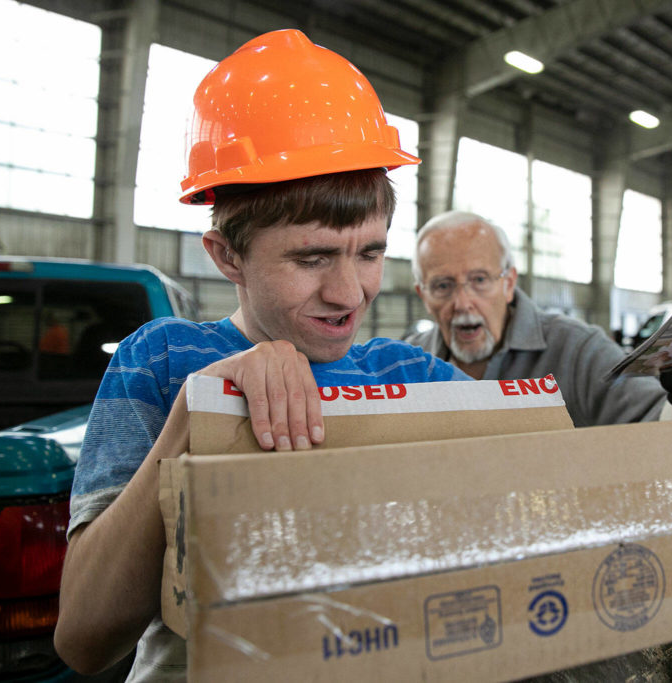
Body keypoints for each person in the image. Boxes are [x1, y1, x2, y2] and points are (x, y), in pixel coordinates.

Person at [53, 30, 470, 680]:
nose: (348, 291)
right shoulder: (164, 361)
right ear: (226, 255)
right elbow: (84, 636)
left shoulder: (416, 377)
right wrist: (199, 416)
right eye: (311, 258)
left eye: (370, 252)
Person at [407, 210, 672, 682]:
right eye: (442, 286)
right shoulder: (407, 362)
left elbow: (657, 439)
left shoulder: (576, 349)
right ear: (422, 294)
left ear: (508, 282)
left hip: (557, 600)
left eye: (479, 280)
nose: (463, 302)